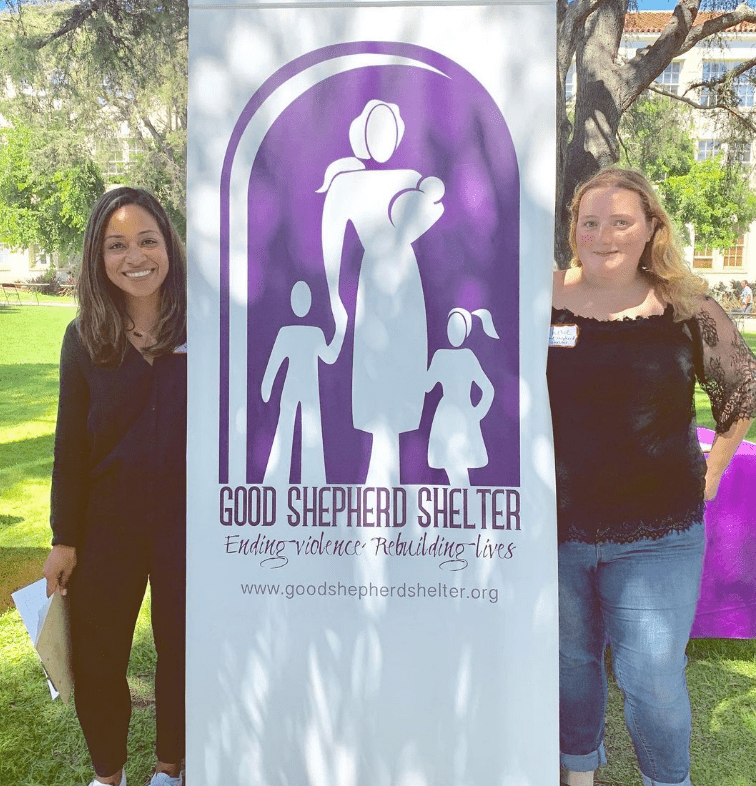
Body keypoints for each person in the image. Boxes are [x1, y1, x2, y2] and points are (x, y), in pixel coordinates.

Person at [548, 168, 756, 786]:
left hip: (657, 533)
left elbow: (741, 390)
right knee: (569, 665)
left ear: (650, 230)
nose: (604, 235)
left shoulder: (687, 306)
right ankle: (577, 774)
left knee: (653, 679)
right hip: (552, 529)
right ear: (574, 230)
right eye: (590, 222)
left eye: (621, 222)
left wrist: (711, 474)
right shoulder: (541, 296)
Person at [42, 187, 187, 786]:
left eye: (148, 240)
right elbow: (69, 447)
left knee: (183, 648)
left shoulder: (208, 327)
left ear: (169, 246)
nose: (135, 257)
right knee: (99, 659)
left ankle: (171, 768)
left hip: (187, 523)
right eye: (117, 245)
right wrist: (63, 538)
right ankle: (109, 775)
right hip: (107, 524)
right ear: (98, 257)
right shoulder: (84, 338)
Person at [317, 99, 445, 485]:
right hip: (374, 283)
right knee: (375, 369)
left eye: (390, 128)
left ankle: (397, 471)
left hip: (407, 280)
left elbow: (430, 220)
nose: (383, 137)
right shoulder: (346, 183)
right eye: (376, 128)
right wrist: (334, 296)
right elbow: (330, 239)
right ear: (362, 134)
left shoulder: (410, 177)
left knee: (405, 368)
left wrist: (428, 202)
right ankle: (377, 466)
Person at [426, 307, 499, 487]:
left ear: (465, 332)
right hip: (446, 415)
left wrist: (478, 413)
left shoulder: (468, 356)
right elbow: (427, 386)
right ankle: (462, 497)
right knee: (452, 465)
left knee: (459, 464)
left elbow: (488, 389)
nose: (453, 331)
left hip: (464, 414)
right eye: (451, 326)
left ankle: (463, 497)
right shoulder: (440, 356)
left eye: (458, 327)